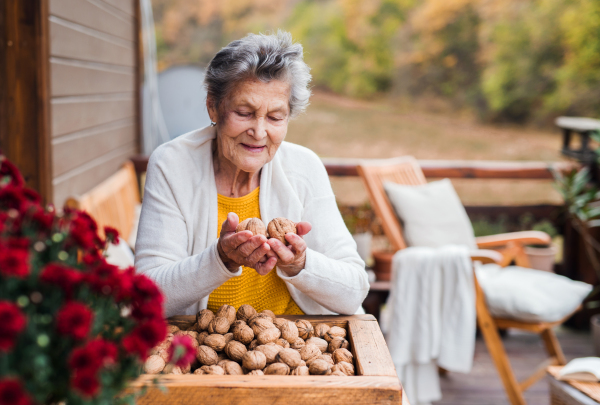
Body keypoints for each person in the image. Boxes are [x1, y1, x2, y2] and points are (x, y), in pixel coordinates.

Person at [135, 31, 369, 317]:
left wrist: (301, 264)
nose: (259, 133)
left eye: (274, 117)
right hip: (205, 343)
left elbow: (355, 289)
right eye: (244, 112)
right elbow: (146, 298)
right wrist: (220, 259)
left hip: (297, 344)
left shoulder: (304, 167)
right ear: (213, 106)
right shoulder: (172, 165)